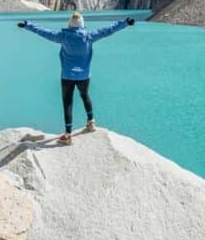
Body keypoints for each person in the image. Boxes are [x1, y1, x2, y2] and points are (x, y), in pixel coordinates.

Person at [17, 11, 135, 145]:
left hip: (67, 75)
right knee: (85, 96)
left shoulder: (63, 36)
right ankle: (91, 123)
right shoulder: (89, 36)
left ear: (70, 24)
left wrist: (28, 25)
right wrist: (125, 23)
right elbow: (108, 30)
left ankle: (68, 135)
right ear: (82, 24)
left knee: (67, 103)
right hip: (84, 75)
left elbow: (44, 32)